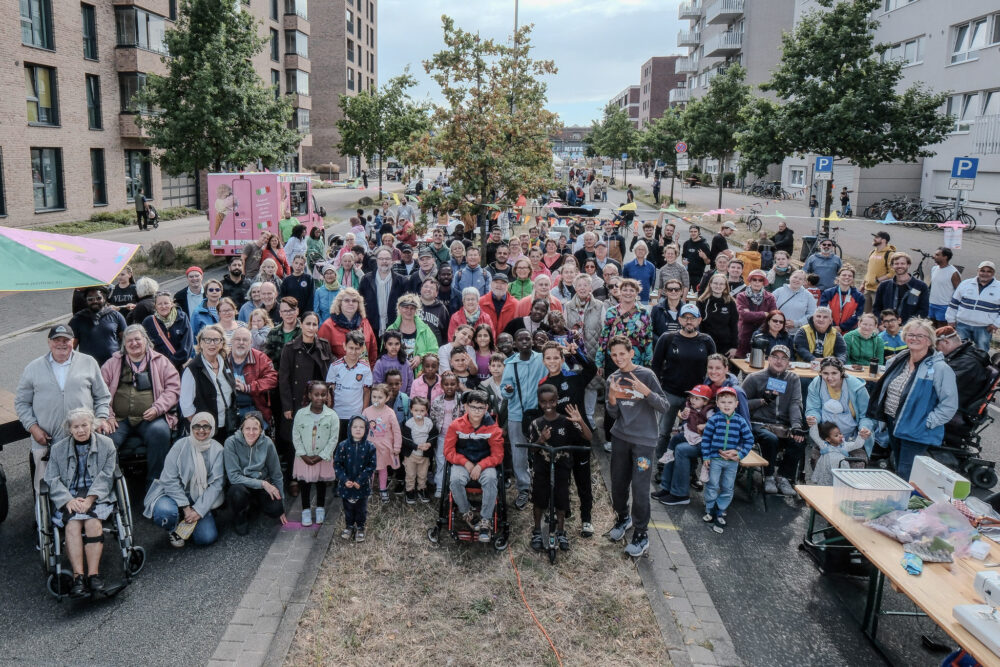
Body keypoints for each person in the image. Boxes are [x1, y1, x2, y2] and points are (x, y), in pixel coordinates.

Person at [16, 324, 112, 495]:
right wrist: (33, 428)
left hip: (83, 436)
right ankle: (44, 519)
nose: (61, 344)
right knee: (46, 487)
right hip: (46, 439)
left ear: (73, 341)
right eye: (56, 340)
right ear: (49, 342)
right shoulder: (33, 368)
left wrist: (101, 419)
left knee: (83, 484)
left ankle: (82, 516)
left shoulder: (88, 363)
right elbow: (22, 403)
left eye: (66, 340)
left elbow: (102, 397)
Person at [868, 319, 958, 479]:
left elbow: (949, 404)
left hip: (917, 428)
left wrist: (928, 422)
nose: (914, 338)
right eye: (911, 334)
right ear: (905, 337)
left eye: (920, 335)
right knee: (898, 465)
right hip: (893, 421)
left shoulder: (940, 368)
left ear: (930, 340)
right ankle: (902, 500)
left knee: (906, 471)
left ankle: (907, 502)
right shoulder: (898, 360)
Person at [605, 335, 669, 558]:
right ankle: (623, 518)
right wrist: (612, 397)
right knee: (618, 484)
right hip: (621, 438)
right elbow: (613, 414)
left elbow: (664, 406)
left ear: (631, 353)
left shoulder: (646, 375)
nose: (618, 358)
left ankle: (641, 534)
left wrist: (646, 392)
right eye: (614, 355)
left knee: (640, 490)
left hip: (644, 442)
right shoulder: (612, 378)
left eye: (622, 353)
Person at [44, 408, 117, 595]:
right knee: (72, 526)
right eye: (76, 426)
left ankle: (93, 575)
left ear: (92, 425)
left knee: (93, 524)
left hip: (97, 495)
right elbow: (51, 479)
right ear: (69, 429)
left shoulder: (107, 445)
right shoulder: (58, 449)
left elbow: (107, 475)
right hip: (70, 496)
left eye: (84, 425)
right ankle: (78, 577)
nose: (81, 430)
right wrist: (67, 500)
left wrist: (91, 498)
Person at [101, 325, 180, 487]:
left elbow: (173, 388)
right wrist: (108, 415)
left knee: (160, 432)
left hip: (151, 418)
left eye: (138, 339)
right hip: (119, 419)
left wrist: (158, 408)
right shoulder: (112, 363)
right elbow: (100, 392)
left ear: (146, 340)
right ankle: (111, 486)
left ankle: (155, 483)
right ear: (124, 344)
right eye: (129, 340)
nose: (134, 343)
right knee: (105, 440)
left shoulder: (160, 361)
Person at [143, 412, 225, 548]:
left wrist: (198, 511)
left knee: (206, 538)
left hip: (199, 497)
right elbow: (169, 479)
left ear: (212, 429)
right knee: (165, 512)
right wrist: (186, 508)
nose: (201, 430)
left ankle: (191, 520)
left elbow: (216, 485)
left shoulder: (218, 450)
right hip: (172, 494)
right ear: (191, 427)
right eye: (197, 426)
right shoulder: (180, 446)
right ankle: (174, 526)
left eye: (206, 427)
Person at [528, 384, 592, 551]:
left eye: (551, 401)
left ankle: (561, 531)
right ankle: (536, 530)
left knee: (562, 499)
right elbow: (532, 448)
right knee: (539, 498)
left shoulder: (566, 422)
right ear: (539, 403)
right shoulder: (536, 423)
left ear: (557, 401)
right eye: (543, 402)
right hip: (541, 468)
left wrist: (580, 421)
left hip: (562, 467)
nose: (548, 406)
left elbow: (588, 437)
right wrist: (541, 440)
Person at [741, 345, 804, 496]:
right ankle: (768, 476)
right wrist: (762, 401)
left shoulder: (793, 378)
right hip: (758, 423)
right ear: (768, 358)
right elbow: (740, 404)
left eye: (784, 358)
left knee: (799, 439)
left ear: (789, 362)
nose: (779, 361)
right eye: (775, 357)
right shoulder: (754, 378)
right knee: (771, 439)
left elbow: (796, 403)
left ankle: (783, 477)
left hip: (782, 425)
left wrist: (796, 426)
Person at [444, 390, 504, 541]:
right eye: (473, 407)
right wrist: (465, 462)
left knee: (491, 479)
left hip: (485, 463)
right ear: (466, 407)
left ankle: (485, 520)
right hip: (462, 461)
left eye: (480, 408)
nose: (477, 411)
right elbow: (448, 451)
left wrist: (481, 465)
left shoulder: (493, 428)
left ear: (486, 408)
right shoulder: (456, 425)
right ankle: (466, 512)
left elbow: (497, 455)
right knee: (455, 480)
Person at [699, 387, 754, 534]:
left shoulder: (740, 421)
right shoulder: (714, 420)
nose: (726, 405)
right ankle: (710, 509)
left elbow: (749, 440)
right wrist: (706, 456)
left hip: (732, 461)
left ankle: (720, 509)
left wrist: (739, 454)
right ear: (717, 403)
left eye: (730, 402)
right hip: (715, 459)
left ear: (736, 404)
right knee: (712, 484)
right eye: (723, 402)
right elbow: (706, 439)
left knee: (728, 487)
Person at [224, 412, 286, 534]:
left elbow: (276, 474)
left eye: (255, 428)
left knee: (276, 508)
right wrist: (263, 484)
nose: (251, 432)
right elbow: (234, 477)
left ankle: (254, 505)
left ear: (261, 429)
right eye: (247, 428)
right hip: (241, 485)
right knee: (237, 493)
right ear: (241, 428)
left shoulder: (267, 443)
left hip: (260, 483)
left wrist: (282, 504)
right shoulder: (231, 443)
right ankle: (240, 517)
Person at [805, 356, 874, 457]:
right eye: (825, 373)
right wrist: (813, 417)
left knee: (856, 464)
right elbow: (813, 408)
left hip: (852, 439)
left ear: (841, 373)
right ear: (820, 373)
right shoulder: (816, 384)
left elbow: (867, 415)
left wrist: (864, 428)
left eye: (834, 373)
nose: (829, 378)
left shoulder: (857, 387)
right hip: (826, 439)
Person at [292, 381, 339, 526]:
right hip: (304, 458)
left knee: (321, 483)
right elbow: (296, 435)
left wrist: (321, 456)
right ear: (309, 395)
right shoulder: (301, 414)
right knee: (305, 485)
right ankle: (305, 510)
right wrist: (303, 455)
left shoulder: (332, 416)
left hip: (322, 458)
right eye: (316, 394)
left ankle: (320, 509)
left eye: (323, 394)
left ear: (327, 396)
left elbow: (333, 439)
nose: (320, 397)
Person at [180, 324, 237, 440]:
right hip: (206, 431)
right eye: (207, 340)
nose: (212, 344)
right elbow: (186, 406)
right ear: (201, 343)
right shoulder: (192, 369)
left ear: (222, 343)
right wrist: (201, 429)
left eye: (216, 340)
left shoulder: (225, 362)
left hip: (227, 425)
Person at [334, 416, 377, 542]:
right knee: (348, 507)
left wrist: (360, 480)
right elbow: (337, 464)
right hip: (346, 484)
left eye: (361, 427)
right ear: (349, 428)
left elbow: (371, 466)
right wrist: (343, 479)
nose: (358, 429)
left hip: (361, 485)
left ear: (366, 429)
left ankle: (360, 528)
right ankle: (349, 526)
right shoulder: (343, 445)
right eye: (355, 426)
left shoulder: (370, 446)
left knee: (361, 508)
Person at [946, 261, 1000, 353]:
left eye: (989, 271)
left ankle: (979, 367)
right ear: (978, 271)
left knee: (981, 353)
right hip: (962, 325)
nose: (985, 274)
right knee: (959, 351)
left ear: (993, 273)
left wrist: (996, 324)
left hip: (984, 327)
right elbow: (954, 304)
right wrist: (950, 320)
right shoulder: (965, 284)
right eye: (982, 271)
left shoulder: (998, 287)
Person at [935, 326, 992, 413]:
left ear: (946, 342)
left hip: (950, 409)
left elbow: (939, 388)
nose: (936, 351)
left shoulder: (966, 363)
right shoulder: (962, 353)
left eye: (936, 347)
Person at [326, 331, 373, 436]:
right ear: (344, 346)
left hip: (355, 414)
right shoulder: (335, 366)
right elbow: (329, 392)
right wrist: (329, 412)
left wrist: (363, 413)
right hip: (337, 413)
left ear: (362, 349)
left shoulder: (365, 368)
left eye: (357, 349)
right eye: (351, 348)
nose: (353, 352)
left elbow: (366, 392)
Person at [228, 327, 277, 425]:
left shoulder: (260, 357)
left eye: (245, 340)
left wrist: (248, 387)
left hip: (255, 408)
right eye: (238, 339)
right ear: (231, 341)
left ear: (251, 343)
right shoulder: (224, 358)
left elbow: (272, 378)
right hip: (229, 410)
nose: (241, 342)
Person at [69, 286, 128, 366]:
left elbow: (127, 340)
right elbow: (71, 346)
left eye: (98, 298)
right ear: (86, 300)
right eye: (90, 299)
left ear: (104, 298)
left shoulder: (116, 316)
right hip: (88, 366)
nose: (95, 301)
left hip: (113, 365)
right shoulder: (77, 319)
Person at [318, 288, 378, 362]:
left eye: (354, 301)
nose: (351, 303)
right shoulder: (327, 326)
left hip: (363, 371)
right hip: (338, 372)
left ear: (359, 304)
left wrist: (370, 371)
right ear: (340, 303)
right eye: (347, 300)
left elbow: (373, 351)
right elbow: (323, 355)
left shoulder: (365, 323)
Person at [143, 290, 194, 370]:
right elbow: (146, 347)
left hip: (180, 366)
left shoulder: (182, 318)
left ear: (171, 304)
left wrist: (173, 362)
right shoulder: (148, 322)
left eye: (166, 303)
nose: (163, 306)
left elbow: (187, 344)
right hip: (159, 367)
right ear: (155, 306)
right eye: (159, 304)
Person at [873, 252, 929, 324]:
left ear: (908, 265)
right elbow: (876, 308)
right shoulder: (884, 286)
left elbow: (923, 311)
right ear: (892, 266)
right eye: (896, 264)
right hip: (886, 327)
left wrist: (906, 326)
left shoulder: (921, 286)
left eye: (902, 263)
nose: (899, 266)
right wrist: (881, 323)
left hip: (908, 329)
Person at [809, 420, 870, 486]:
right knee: (826, 485)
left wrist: (861, 436)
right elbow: (814, 436)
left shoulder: (845, 446)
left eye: (840, 433)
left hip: (841, 470)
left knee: (841, 485)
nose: (840, 436)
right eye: (836, 435)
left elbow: (857, 444)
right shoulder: (824, 445)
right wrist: (814, 424)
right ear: (828, 439)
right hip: (826, 471)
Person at [400, 396, 437, 504]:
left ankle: (422, 488)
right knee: (410, 474)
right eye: (416, 410)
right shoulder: (409, 424)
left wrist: (429, 443)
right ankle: (410, 490)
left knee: (423, 473)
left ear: (426, 411)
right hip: (411, 455)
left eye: (422, 410)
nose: (419, 413)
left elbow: (433, 435)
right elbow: (405, 440)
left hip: (424, 455)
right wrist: (416, 446)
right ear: (411, 410)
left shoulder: (429, 423)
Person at [386, 293, 438, 368]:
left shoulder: (425, 329)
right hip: (396, 373)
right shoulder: (391, 329)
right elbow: (385, 353)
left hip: (419, 374)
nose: (409, 311)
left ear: (416, 310)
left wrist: (420, 357)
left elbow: (434, 351)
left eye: (412, 308)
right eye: (406, 307)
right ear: (399, 308)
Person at [735, 270, 776, 356]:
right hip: (744, 337)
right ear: (750, 281)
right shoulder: (741, 296)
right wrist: (764, 314)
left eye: (760, 280)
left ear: (763, 282)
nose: (757, 282)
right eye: (754, 279)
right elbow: (744, 315)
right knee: (739, 363)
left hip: (763, 336)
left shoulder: (770, 297)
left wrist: (751, 314)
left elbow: (773, 316)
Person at [697, 274, 739, 358]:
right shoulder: (702, 301)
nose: (718, 286)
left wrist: (734, 347)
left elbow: (734, 326)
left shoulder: (730, 302)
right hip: (706, 343)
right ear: (710, 284)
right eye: (715, 283)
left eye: (721, 284)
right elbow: (699, 325)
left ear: (725, 286)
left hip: (725, 346)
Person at [820, 266, 865, 333]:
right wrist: (833, 326)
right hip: (829, 329)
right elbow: (823, 311)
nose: (847, 277)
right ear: (838, 277)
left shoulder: (859, 296)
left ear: (853, 279)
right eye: (844, 275)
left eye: (850, 276)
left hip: (849, 332)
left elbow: (858, 316)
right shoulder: (828, 293)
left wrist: (842, 327)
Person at [863, 232, 897, 314]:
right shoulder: (872, 252)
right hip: (867, 289)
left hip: (879, 290)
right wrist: (863, 283)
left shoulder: (890, 254)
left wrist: (878, 280)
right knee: (866, 315)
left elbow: (892, 273)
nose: (874, 239)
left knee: (877, 314)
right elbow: (869, 270)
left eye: (877, 237)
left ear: (884, 240)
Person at [372, 330, 414, 395]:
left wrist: (406, 399)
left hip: (402, 400)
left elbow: (410, 383)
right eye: (390, 344)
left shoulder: (405, 363)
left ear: (400, 345)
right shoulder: (380, 363)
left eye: (397, 344)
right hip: (384, 400)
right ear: (385, 345)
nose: (394, 347)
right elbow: (377, 384)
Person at [928, 247, 962, 326]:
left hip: (944, 307)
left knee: (942, 330)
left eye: (937, 255)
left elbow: (959, 292)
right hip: (931, 304)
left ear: (945, 257)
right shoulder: (934, 269)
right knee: (931, 329)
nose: (934, 256)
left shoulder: (953, 272)